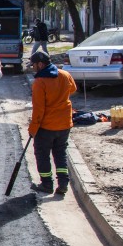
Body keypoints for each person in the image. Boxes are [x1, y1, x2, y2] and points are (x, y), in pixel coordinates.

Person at [27, 51, 77, 196]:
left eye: (34, 65)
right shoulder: (64, 74)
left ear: (41, 64)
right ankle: (63, 184)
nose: (33, 68)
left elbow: (38, 110)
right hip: (65, 124)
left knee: (42, 155)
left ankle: (47, 184)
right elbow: (73, 89)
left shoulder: (40, 83)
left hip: (46, 126)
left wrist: (33, 129)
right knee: (60, 153)